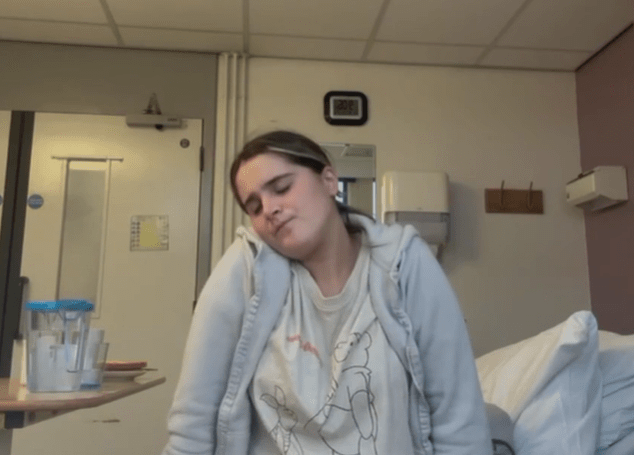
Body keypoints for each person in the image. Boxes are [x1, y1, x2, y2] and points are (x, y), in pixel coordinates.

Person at [163, 130, 492, 455]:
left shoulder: (405, 263)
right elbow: (194, 420)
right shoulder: (245, 270)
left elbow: (457, 416)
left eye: (281, 188)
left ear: (329, 180)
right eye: (254, 206)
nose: (270, 208)